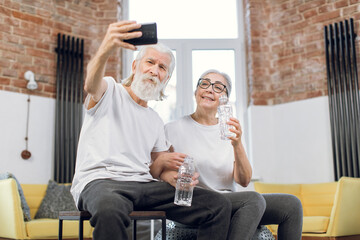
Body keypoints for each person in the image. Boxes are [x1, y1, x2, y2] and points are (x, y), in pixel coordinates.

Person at [70, 21, 233, 240]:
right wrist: (106, 47)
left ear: (166, 79)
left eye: (162, 67)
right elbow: (91, 84)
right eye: (150, 62)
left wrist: (172, 177)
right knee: (109, 208)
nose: (154, 71)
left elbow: (159, 167)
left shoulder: (155, 120)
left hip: (144, 186)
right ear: (135, 66)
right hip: (102, 182)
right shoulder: (110, 92)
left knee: (217, 204)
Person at [157, 69, 303, 239]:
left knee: (292, 205)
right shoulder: (173, 128)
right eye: (204, 83)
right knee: (253, 200)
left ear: (224, 99)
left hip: (232, 201)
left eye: (218, 87)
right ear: (196, 91)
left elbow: (244, 180)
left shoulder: (230, 131)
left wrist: (237, 144)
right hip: (197, 201)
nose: (210, 89)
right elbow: (160, 170)